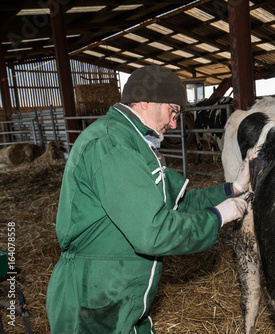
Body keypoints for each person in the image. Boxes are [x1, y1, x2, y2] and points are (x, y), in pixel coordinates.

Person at [46, 65, 250, 333]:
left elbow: (179, 202)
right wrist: (218, 217)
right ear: (145, 102)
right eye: (172, 111)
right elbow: (153, 232)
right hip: (93, 303)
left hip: (120, 298)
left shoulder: (132, 142)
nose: (174, 123)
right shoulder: (113, 145)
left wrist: (232, 188)